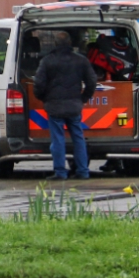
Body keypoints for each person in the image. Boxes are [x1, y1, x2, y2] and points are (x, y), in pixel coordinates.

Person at [34, 31, 98, 180]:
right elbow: (92, 81)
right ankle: (83, 171)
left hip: (54, 106)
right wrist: (84, 97)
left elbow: (38, 83)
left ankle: (60, 172)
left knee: (58, 139)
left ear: (55, 44)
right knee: (78, 138)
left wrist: (44, 98)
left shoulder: (47, 61)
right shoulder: (81, 60)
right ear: (70, 43)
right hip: (75, 105)